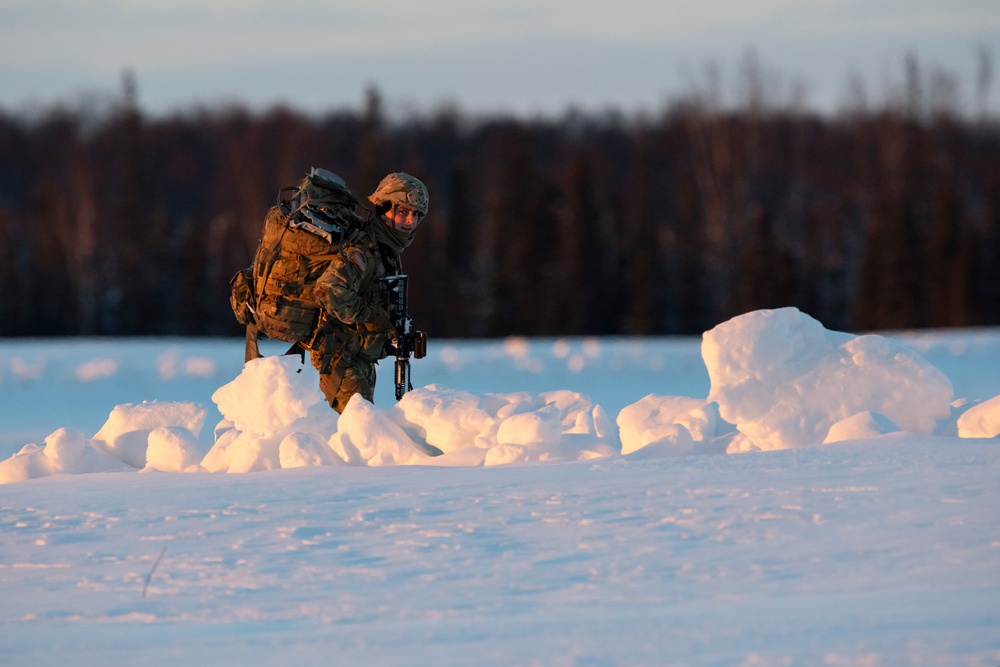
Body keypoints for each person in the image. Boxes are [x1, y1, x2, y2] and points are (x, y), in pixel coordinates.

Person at [308, 172, 429, 412]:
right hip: (341, 360)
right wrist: (373, 317)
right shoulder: (364, 249)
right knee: (362, 436)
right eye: (403, 211)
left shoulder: (387, 250)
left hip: (359, 360)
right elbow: (328, 290)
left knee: (362, 433)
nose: (409, 221)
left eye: (415, 214)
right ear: (384, 209)